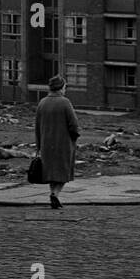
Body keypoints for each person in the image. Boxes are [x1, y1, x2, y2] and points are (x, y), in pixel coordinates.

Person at [34, 75, 80, 209]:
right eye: (64, 87)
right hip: (63, 144)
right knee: (63, 172)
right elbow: (73, 124)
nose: (65, 90)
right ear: (61, 88)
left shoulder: (42, 102)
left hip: (46, 144)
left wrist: (38, 145)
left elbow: (37, 126)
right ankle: (55, 194)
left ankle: (53, 193)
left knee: (50, 172)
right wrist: (75, 137)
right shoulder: (65, 102)